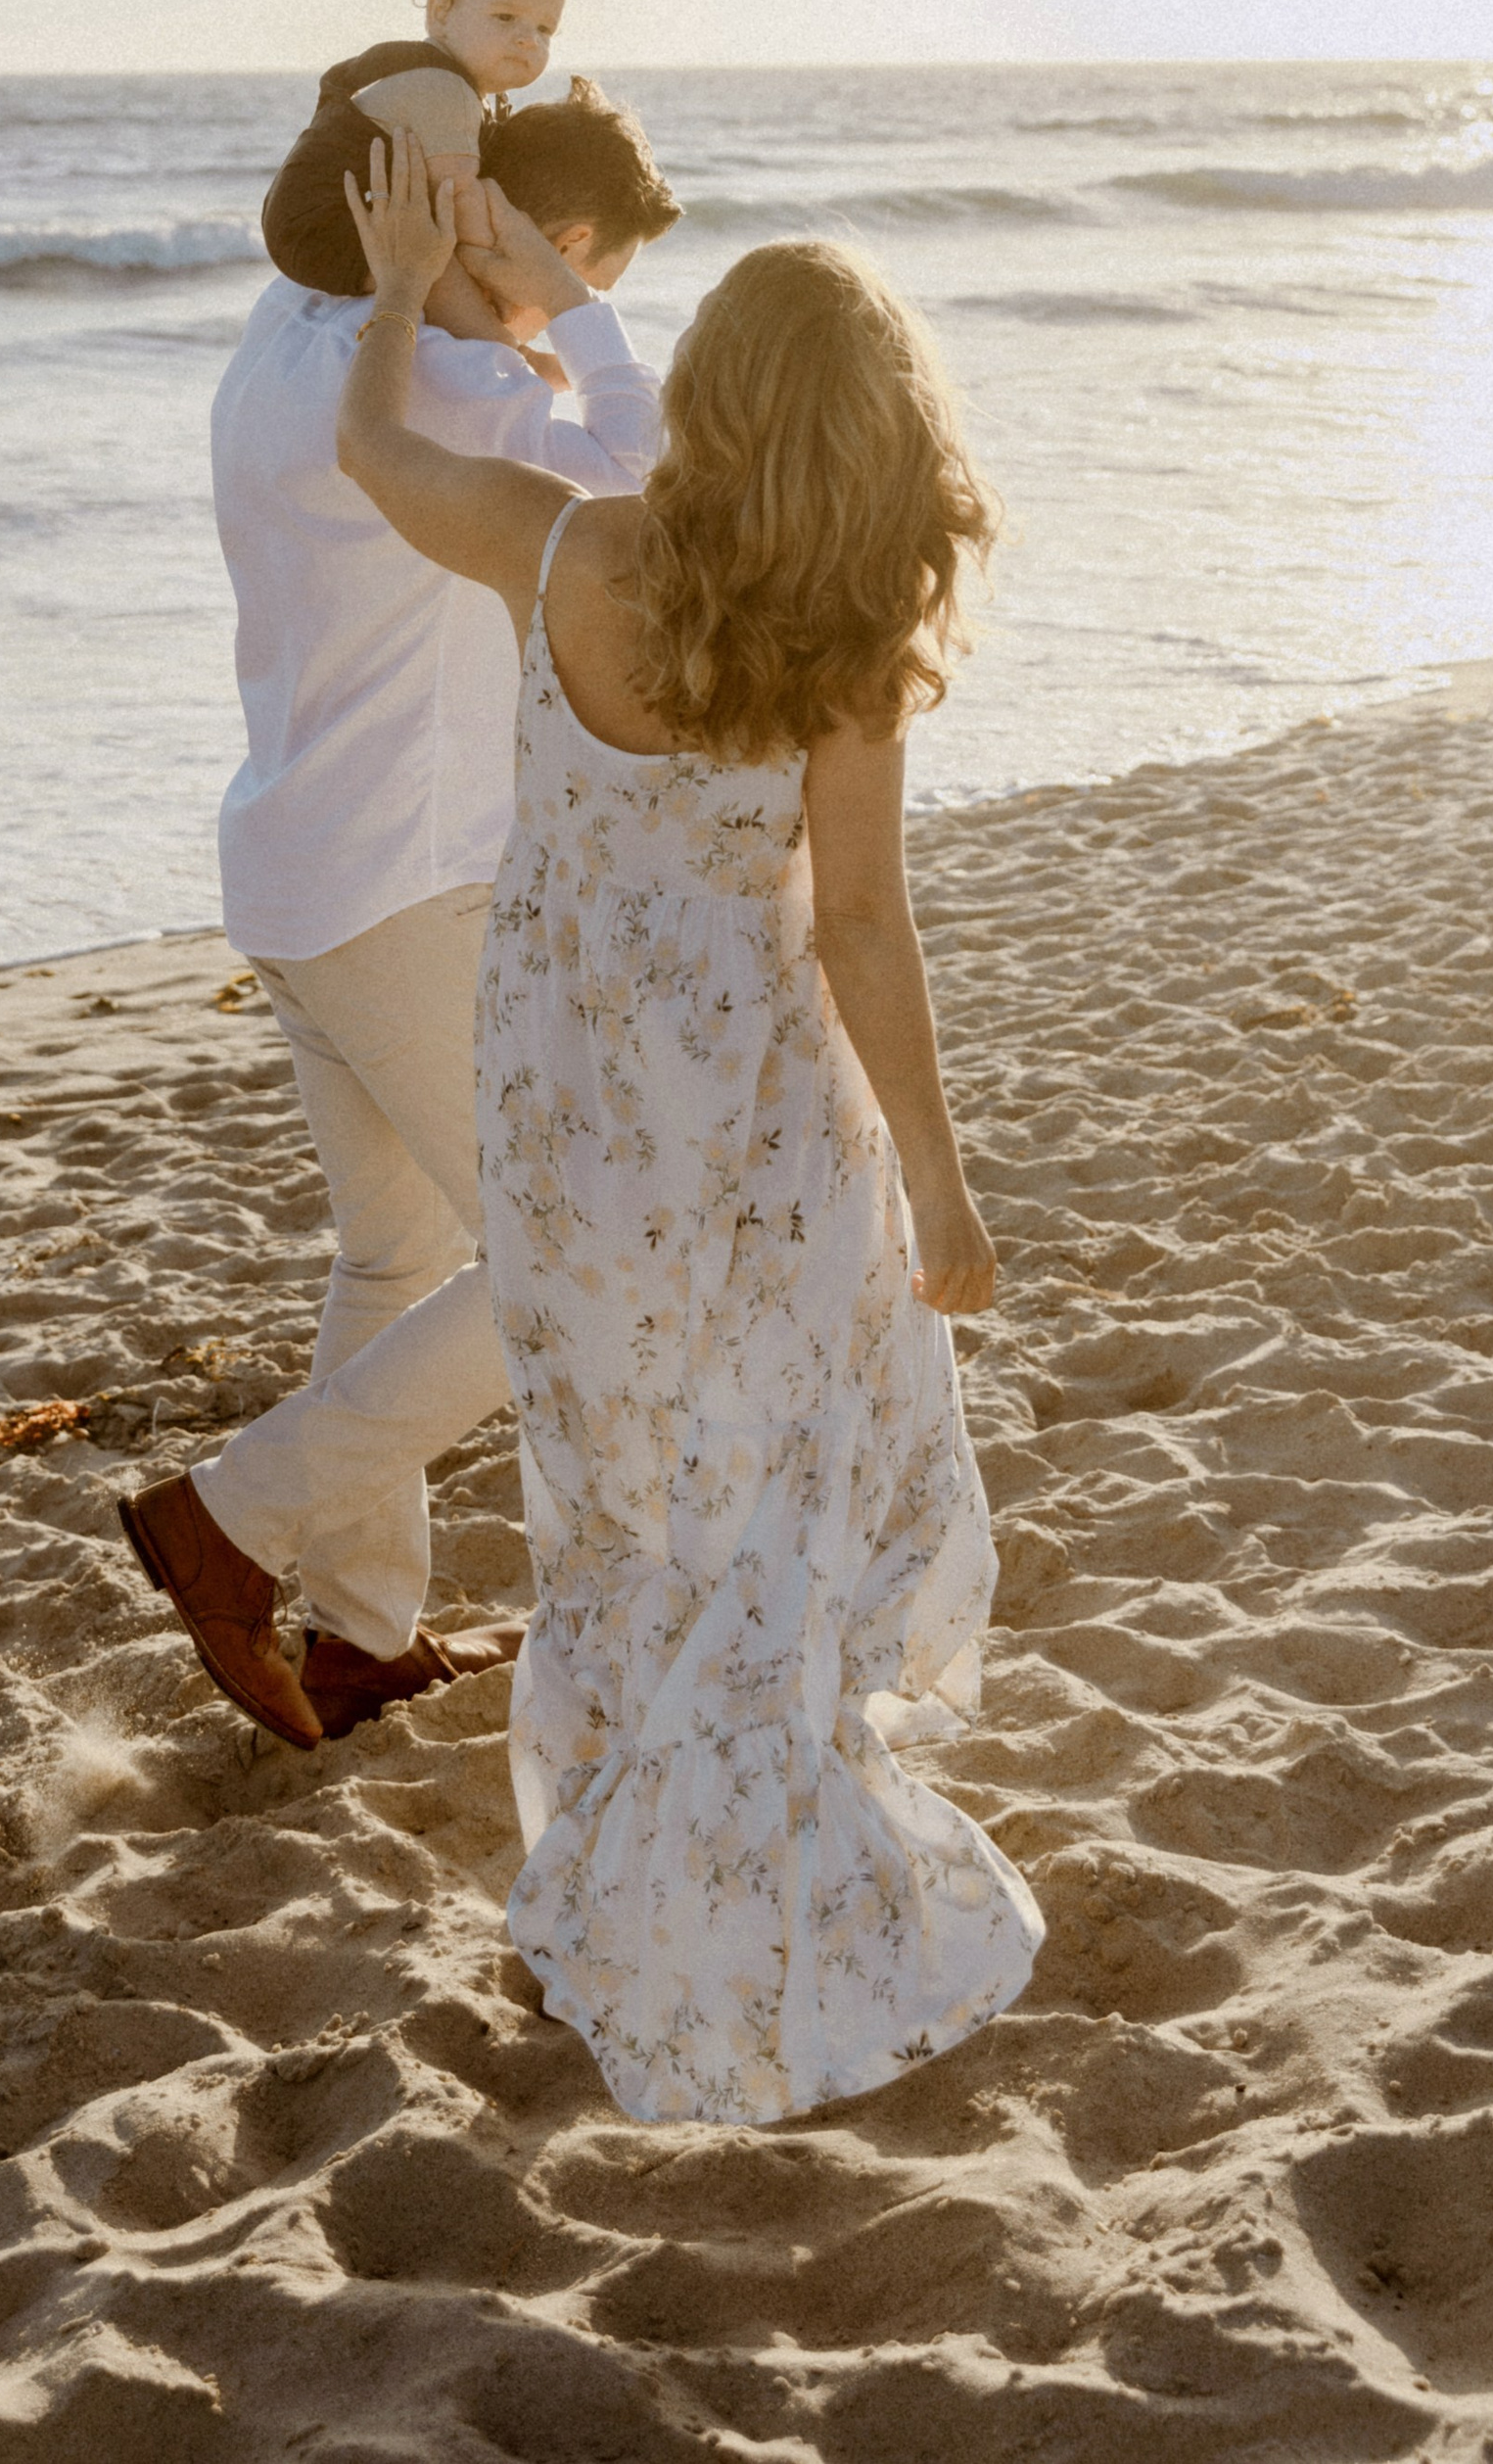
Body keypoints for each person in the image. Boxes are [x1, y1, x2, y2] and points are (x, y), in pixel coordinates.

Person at [325, 133, 1044, 2124]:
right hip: (754, 1104)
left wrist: (397, 287)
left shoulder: (567, 549)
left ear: (715, 396)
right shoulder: (839, 637)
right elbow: (866, 923)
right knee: (764, 1476)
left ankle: (632, 1860)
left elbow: (374, 449)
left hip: (565, 1099)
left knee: (614, 1487)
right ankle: (750, 1831)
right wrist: (932, 1170)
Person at [119, 81, 684, 1749]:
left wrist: (442, 193)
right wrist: (571, 303)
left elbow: (377, 176)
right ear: (548, 241)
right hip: (407, 885)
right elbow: (647, 480)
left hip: (290, 869)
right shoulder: (473, 392)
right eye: (591, 267)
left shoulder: (287, 336)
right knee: (577, 1249)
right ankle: (227, 1520)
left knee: (396, 1254)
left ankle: (364, 1632)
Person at [259, 0, 568, 324]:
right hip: (327, 232)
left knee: (430, 252)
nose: (528, 39)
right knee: (432, 261)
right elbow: (458, 201)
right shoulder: (444, 89)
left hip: (304, 226)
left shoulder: (427, 75)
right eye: (505, 17)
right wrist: (502, 280)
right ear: (440, 11)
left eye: (545, 28)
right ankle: (500, 347)